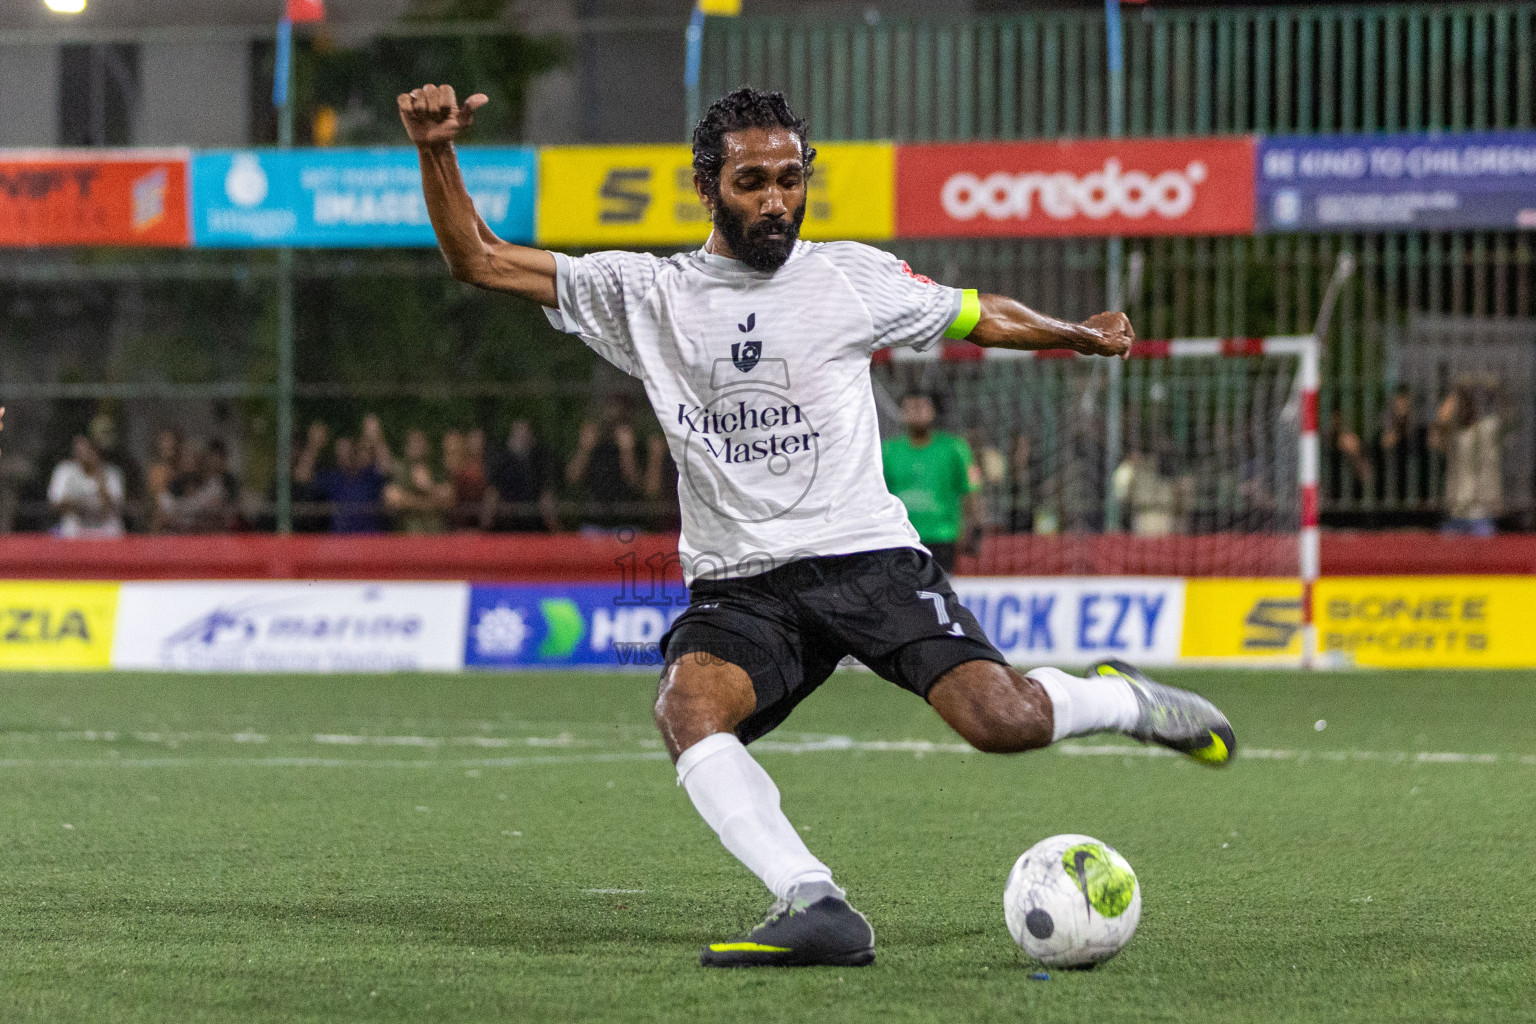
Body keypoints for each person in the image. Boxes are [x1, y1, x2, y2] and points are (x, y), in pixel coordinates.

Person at [402, 82, 1234, 969]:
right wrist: (436, 151)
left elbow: (974, 311)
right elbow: (480, 259)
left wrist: (1075, 333)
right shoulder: (643, 292)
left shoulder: (848, 275)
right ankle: (814, 901)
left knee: (1006, 721)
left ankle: (1123, 697)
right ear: (707, 186)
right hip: (741, 584)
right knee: (687, 707)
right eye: (753, 182)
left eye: (791, 180)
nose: (775, 202)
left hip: (867, 558)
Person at [880, 391, 981, 573]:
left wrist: (973, 528)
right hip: (900, 535)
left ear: (933, 411)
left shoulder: (954, 448)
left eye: (921, 407)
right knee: (902, 595)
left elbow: (970, 490)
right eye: (910, 408)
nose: (916, 413)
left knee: (938, 594)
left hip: (942, 535)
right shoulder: (888, 451)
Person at [565, 395, 644, 530]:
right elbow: (573, 478)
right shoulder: (593, 445)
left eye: (619, 410)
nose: (613, 415)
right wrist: (584, 449)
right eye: (610, 409)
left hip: (626, 523)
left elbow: (637, 484)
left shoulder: (636, 446)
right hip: (593, 522)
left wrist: (627, 451)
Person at [1432, 385, 1501, 536]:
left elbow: (1507, 416)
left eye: (1452, 404)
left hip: (1480, 513)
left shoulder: (1486, 429)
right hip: (1457, 513)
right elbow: (1436, 438)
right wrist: (1443, 415)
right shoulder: (1454, 436)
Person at [296, 434, 389, 534]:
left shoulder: (370, 476)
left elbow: (386, 468)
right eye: (341, 451)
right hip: (340, 540)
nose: (346, 455)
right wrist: (313, 446)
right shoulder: (333, 479)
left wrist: (376, 437)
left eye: (349, 451)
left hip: (369, 540)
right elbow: (301, 476)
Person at [482, 419, 560, 532]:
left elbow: (546, 495)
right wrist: (486, 525)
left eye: (525, 431)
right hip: (507, 524)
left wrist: (554, 528)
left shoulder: (539, 460)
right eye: (518, 431)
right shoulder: (501, 460)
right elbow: (492, 493)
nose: (522, 436)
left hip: (535, 524)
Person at [47, 434, 125, 538]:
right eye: (78, 450)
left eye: (87, 450)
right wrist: (81, 503)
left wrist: (99, 478)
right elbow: (55, 501)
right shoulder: (64, 470)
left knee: (115, 530)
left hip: (104, 527)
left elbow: (115, 505)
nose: (83, 454)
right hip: (75, 526)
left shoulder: (111, 473)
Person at [383, 428, 452, 534]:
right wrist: (428, 502)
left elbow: (448, 498)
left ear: (428, 446)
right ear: (406, 447)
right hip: (408, 534)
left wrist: (428, 487)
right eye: (414, 442)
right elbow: (392, 498)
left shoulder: (437, 469)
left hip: (436, 534)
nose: (417, 446)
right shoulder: (399, 470)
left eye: (420, 441)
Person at [166, 438, 241, 533]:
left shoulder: (219, 484)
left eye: (194, 459)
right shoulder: (177, 484)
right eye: (185, 458)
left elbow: (222, 511)